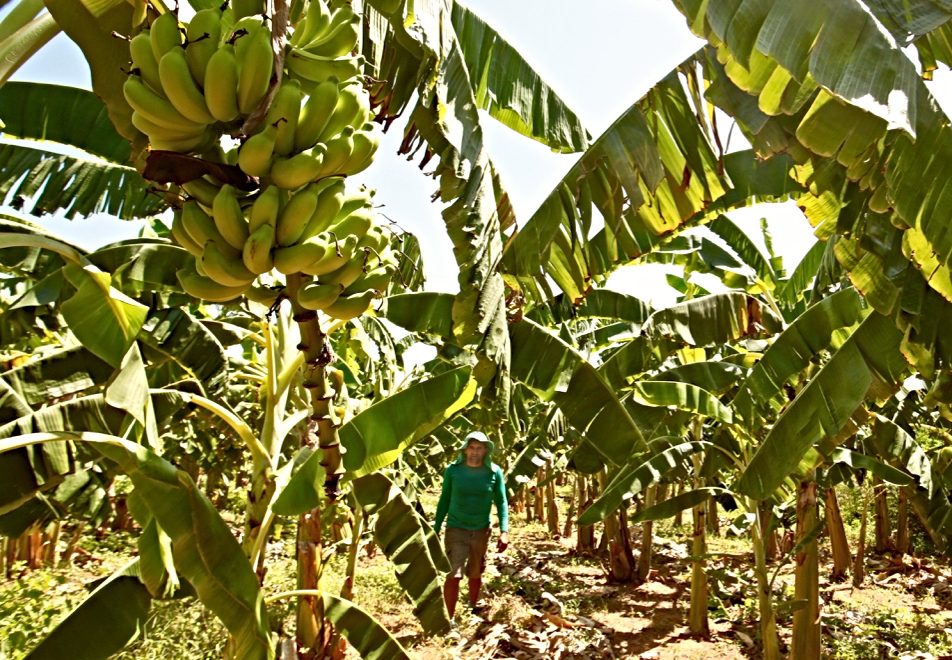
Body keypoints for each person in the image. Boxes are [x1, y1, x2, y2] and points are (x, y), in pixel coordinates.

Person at [434, 430, 509, 622]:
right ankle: (448, 620)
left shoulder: (494, 472)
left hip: (481, 529)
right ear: (465, 450)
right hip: (456, 528)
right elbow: (444, 499)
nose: (475, 452)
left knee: (476, 571)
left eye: (480, 448)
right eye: (472, 448)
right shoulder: (453, 470)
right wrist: (435, 527)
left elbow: (501, 501)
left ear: (486, 451)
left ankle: (473, 607)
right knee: (454, 574)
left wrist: (504, 531)